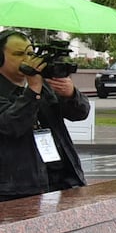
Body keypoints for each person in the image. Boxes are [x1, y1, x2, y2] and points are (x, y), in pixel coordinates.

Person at [0, 30, 90, 200]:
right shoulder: (33, 86)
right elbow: (12, 125)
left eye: (30, 54)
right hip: (18, 188)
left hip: (62, 180)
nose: (26, 59)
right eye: (18, 54)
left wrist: (71, 94)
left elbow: (80, 113)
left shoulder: (45, 85)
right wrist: (33, 91)